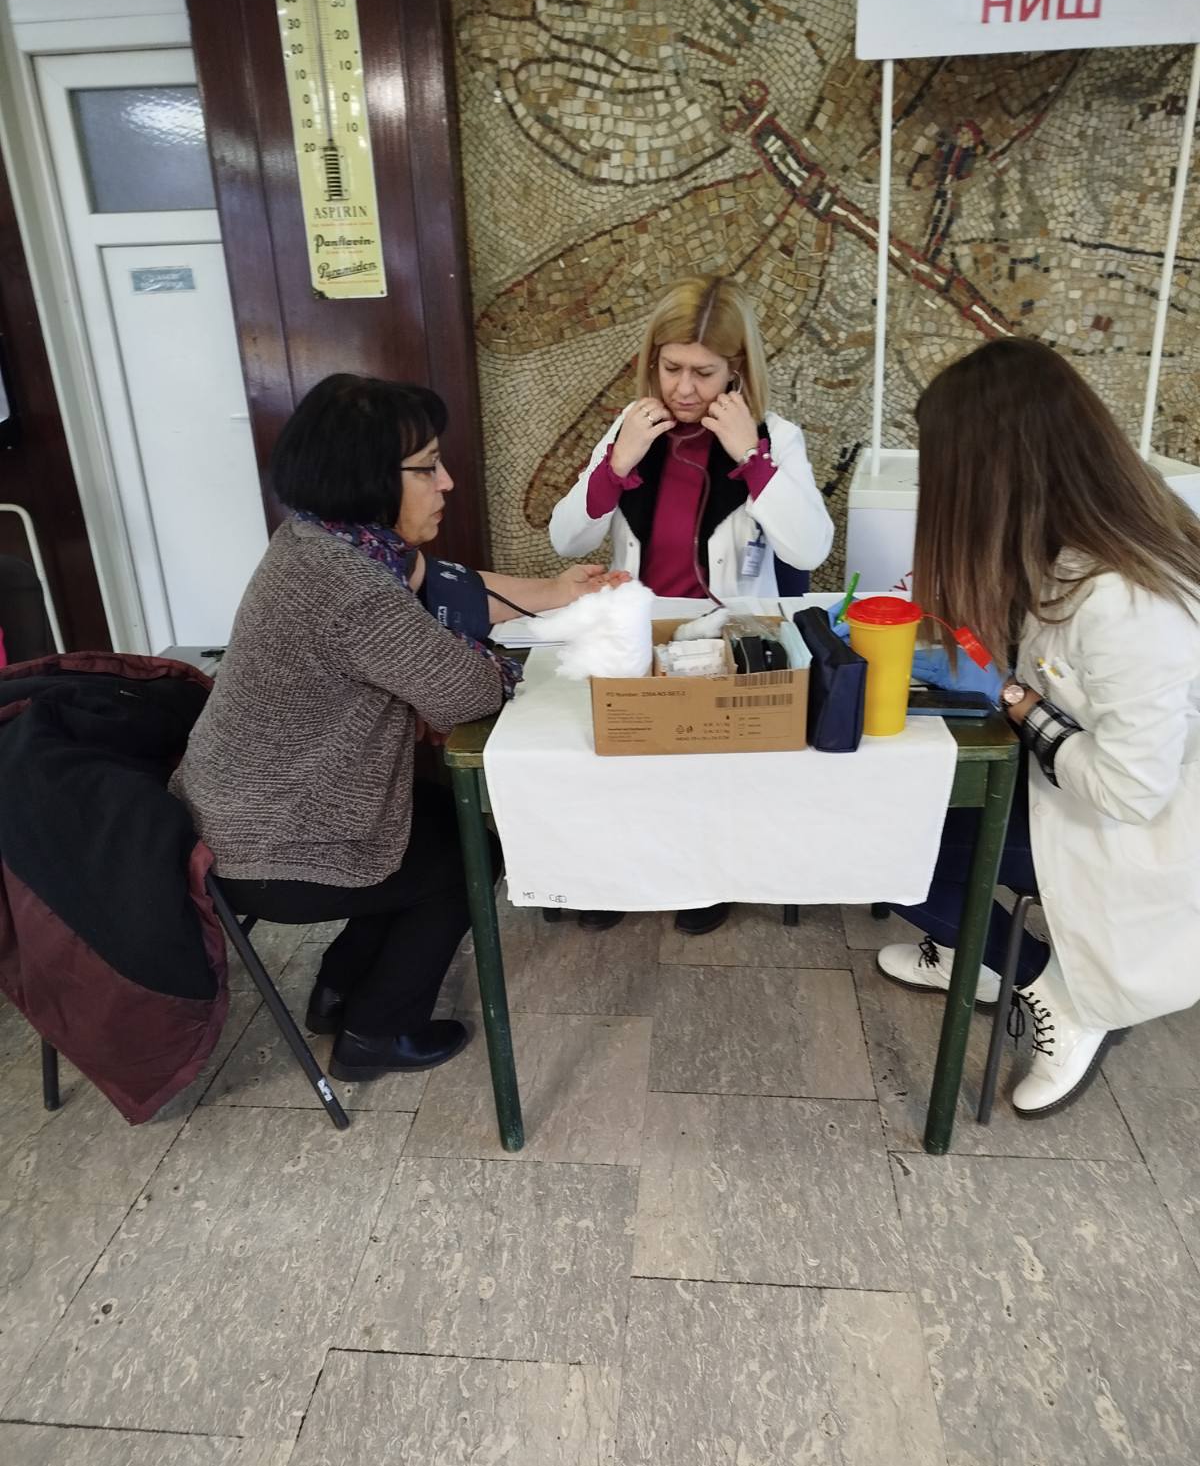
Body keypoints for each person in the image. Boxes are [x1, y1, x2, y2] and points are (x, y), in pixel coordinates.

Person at [172, 374, 619, 1082]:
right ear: (370, 475)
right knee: (468, 856)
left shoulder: (320, 542)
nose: (446, 482)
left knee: (434, 823)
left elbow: (441, 585)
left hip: (234, 815)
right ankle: (375, 1035)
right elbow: (467, 691)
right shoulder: (353, 588)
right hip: (271, 847)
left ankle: (338, 991)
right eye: (427, 467)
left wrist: (559, 592)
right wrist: (493, 660)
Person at [877, 337, 1200, 1117]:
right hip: (1070, 787)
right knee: (896, 819)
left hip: (1137, 825)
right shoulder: (1076, 543)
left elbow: (1129, 791)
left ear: (993, 473)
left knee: (892, 849)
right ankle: (985, 963)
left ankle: (1056, 993)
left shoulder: (1128, 598)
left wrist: (1017, 700)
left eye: (942, 470)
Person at [550, 273, 834, 934]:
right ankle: (618, 878)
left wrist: (752, 459)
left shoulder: (774, 437)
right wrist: (615, 466)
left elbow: (810, 547)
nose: (683, 389)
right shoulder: (632, 427)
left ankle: (705, 878)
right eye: (671, 368)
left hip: (726, 638)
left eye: (704, 373)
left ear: (737, 370)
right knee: (627, 763)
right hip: (639, 632)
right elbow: (567, 537)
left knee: (708, 770)